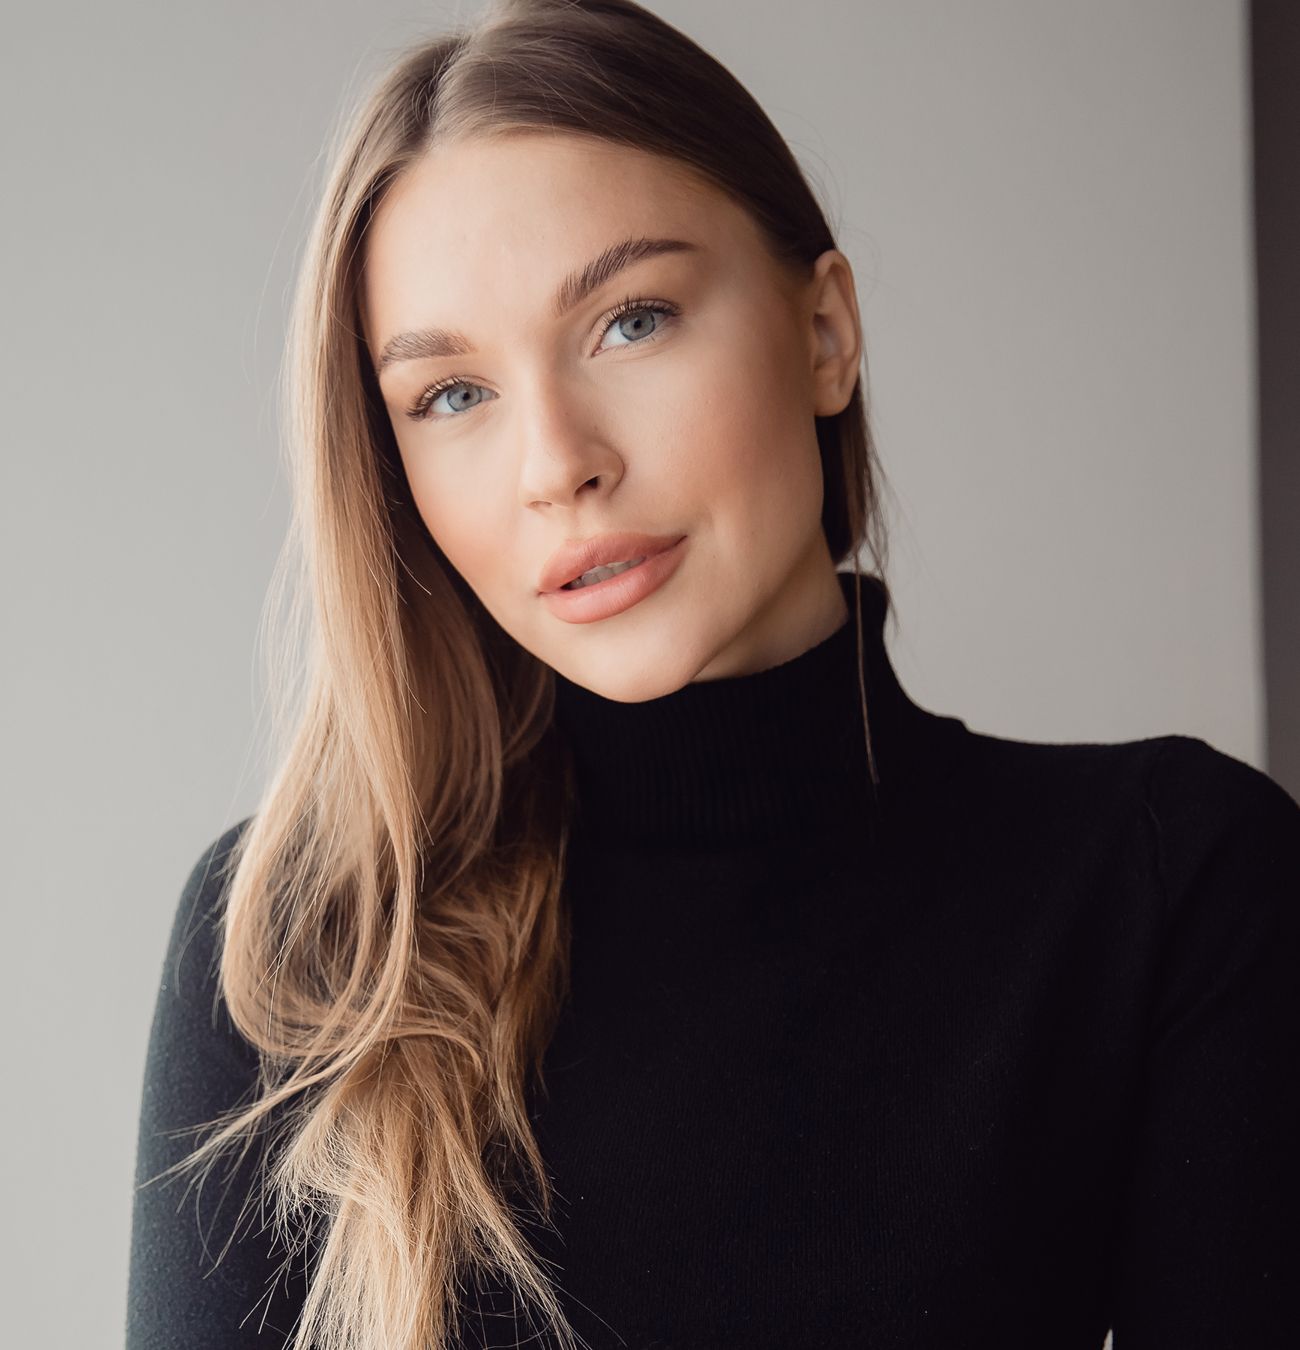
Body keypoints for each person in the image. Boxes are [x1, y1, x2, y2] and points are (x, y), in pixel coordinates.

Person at [125, 1, 1300, 1347]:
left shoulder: (1172, 889)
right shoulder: (310, 946)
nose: (555, 460)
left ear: (825, 333)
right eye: (451, 395)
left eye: (631, 320)